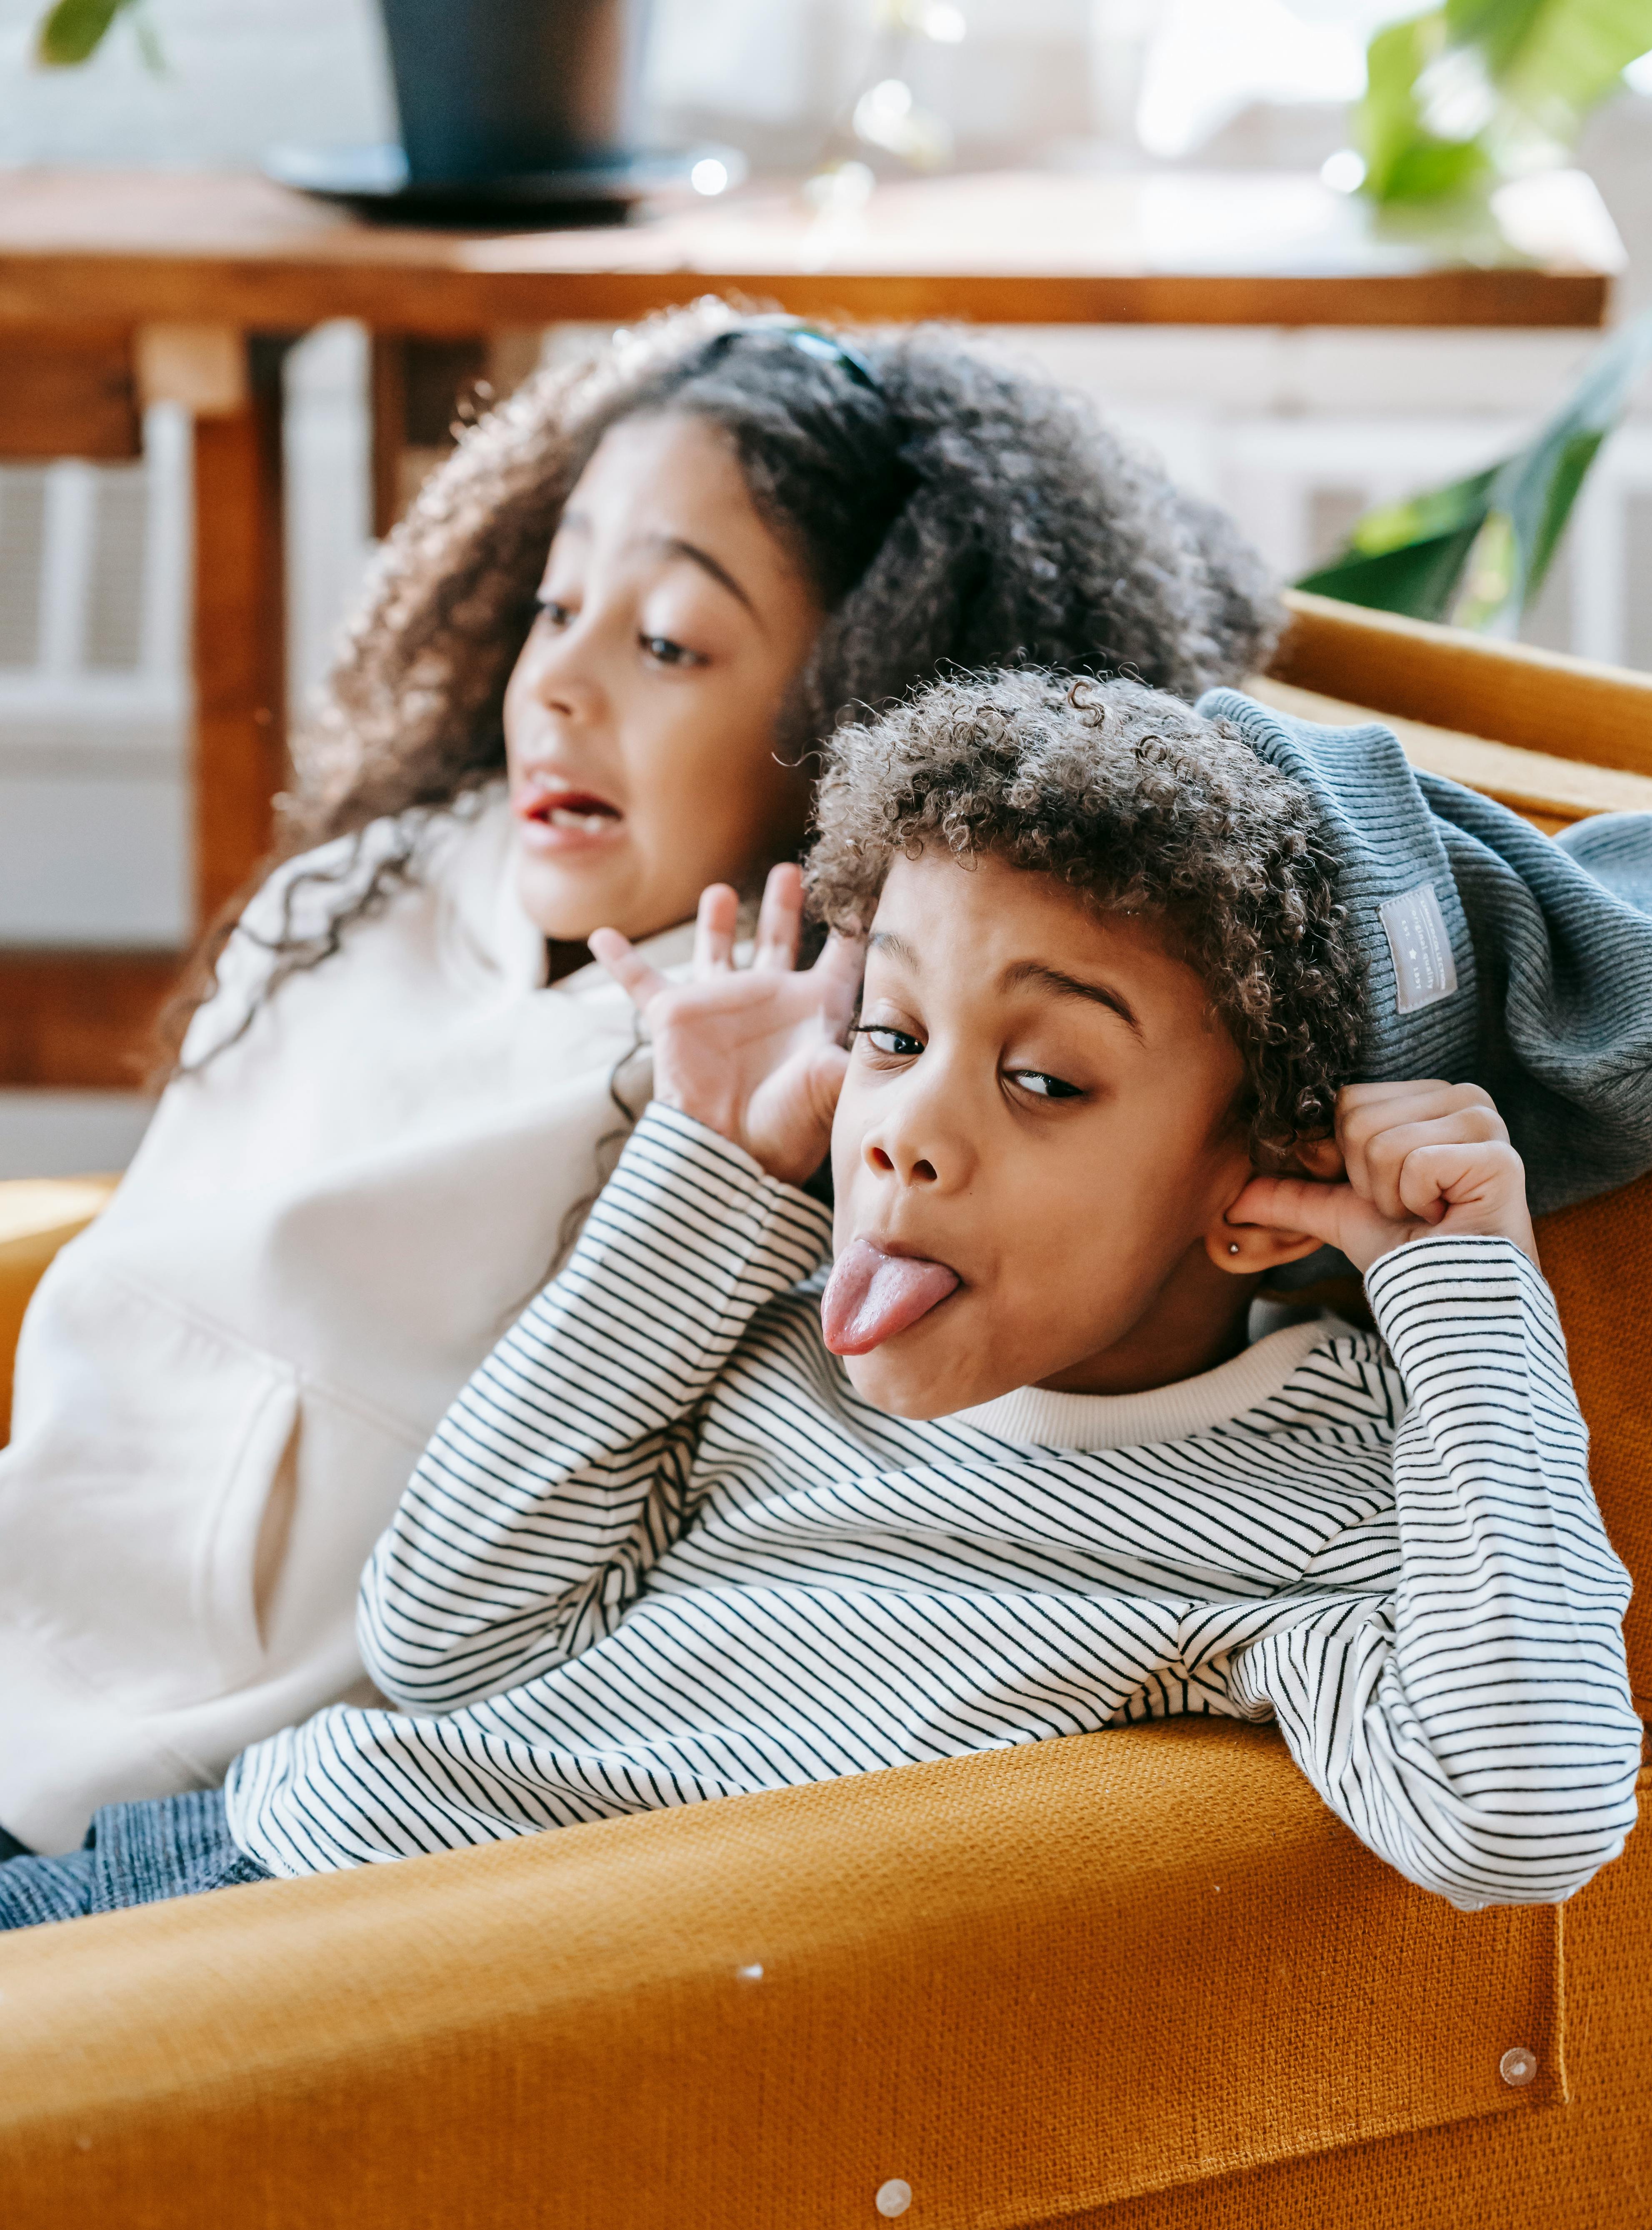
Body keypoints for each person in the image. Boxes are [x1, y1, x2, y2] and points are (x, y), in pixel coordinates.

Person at [1, 670, 1648, 1928]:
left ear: (1256, 1186)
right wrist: (707, 1160)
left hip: (322, 1979)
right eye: (892, 1033)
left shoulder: (1315, 1508)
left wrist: (1462, 1298)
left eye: (1047, 1081)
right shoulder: (787, 1319)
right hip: (225, 1845)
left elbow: (1518, 1815)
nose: (912, 1132)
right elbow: (444, 1638)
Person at [0, 309, 1284, 1858]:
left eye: (670, 641)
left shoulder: (824, 1102)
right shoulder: (369, 885)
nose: (560, 685)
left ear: (859, 723)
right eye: (555, 604)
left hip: (197, 1793)